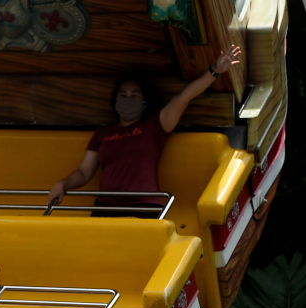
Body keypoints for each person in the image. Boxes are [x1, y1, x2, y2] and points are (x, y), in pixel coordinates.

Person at [47, 45, 242, 218]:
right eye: (123, 95)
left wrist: (215, 71)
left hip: (145, 206)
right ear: (115, 102)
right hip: (106, 207)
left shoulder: (156, 125)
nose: (127, 98)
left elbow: (184, 97)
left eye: (134, 95)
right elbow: (83, 172)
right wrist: (63, 183)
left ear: (144, 103)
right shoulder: (102, 133)